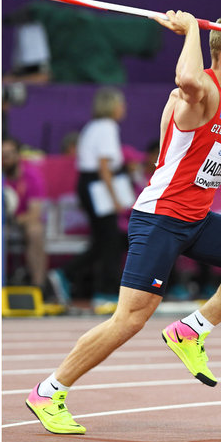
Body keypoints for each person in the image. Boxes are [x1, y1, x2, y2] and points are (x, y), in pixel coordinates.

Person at [25, 10, 221, 435]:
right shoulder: (199, 89)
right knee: (128, 320)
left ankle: (191, 330)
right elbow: (187, 81)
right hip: (161, 218)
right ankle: (49, 390)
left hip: (196, 218)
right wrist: (189, 30)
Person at [48, 88, 131, 314]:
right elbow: (104, 166)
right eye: (120, 103)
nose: (124, 108)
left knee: (104, 240)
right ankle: (104, 292)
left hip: (89, 185)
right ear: (111, 106)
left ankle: (64, 273)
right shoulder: (106, 127)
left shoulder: (93, 127)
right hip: (98, 186)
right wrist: (114, 198)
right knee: (111, 240)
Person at [2, 137, 48, 289]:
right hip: (2, 222)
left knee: (35, 230)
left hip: (21, 220)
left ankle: (38, 286)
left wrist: (14, 220)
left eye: (8, 155)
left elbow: (34, 213)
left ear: (17, 155)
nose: (5, 159)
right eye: (2, 155)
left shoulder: (31, 176)